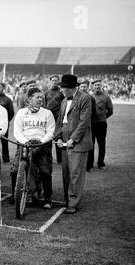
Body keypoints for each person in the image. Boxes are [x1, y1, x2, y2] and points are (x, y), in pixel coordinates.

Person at [54, 74, 92, 214]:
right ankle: (67, 199)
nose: (61, 90)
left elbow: (84, 122)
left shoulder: (85, 98)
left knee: (75, 173)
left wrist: (73, 139)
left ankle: (73, 203)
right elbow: (59, 120)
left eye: (62, 88)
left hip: (78, 141)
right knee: (66, 172)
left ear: (70, 88)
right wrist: (58, 137)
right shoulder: (64, 100)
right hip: (63, 138)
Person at [12, 87, 55, 209]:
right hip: (25, 144)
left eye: (41, 97)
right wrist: (26, 142)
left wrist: (40, 142)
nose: (41, 99)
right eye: (38, 97)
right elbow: (17, 132)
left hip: (42, 144)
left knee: (45, 172)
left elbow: (51, 132)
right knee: (15, 170)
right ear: (30, 99)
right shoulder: (21, 113)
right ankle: (15, 195)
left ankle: (47, 198)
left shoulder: (47, 113)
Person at [88, 79, 114, 170]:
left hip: (102, 124)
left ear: (101, 86)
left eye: (99, 85)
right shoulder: (90, 97)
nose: (97, 87)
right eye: (95, 85)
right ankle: (90, 164)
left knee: (101, 144)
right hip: (91, 124)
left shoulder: (106, 97)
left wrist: (103, 117)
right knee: (91, 144)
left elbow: (110, 111)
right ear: (93, 87)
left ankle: (101, 163)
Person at [44, 75, 64, 164]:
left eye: (56, 80)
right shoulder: (47, 92)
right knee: (48, 138)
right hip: (48, 118)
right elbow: (44, 105)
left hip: (59, 118)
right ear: (50, 81)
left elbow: (64, 104)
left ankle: (60, 159)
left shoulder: (61, 92)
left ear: (58, 81)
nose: (54, 82)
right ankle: (48, 158)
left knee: (58, 137)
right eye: (53, 80)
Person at [0, 82, 15, 163]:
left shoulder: (7, 100)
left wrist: (5, 122)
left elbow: (11, 112)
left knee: (4, 142)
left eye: (0, 87)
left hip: (4, 125)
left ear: (3, 88)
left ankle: (6, 160)